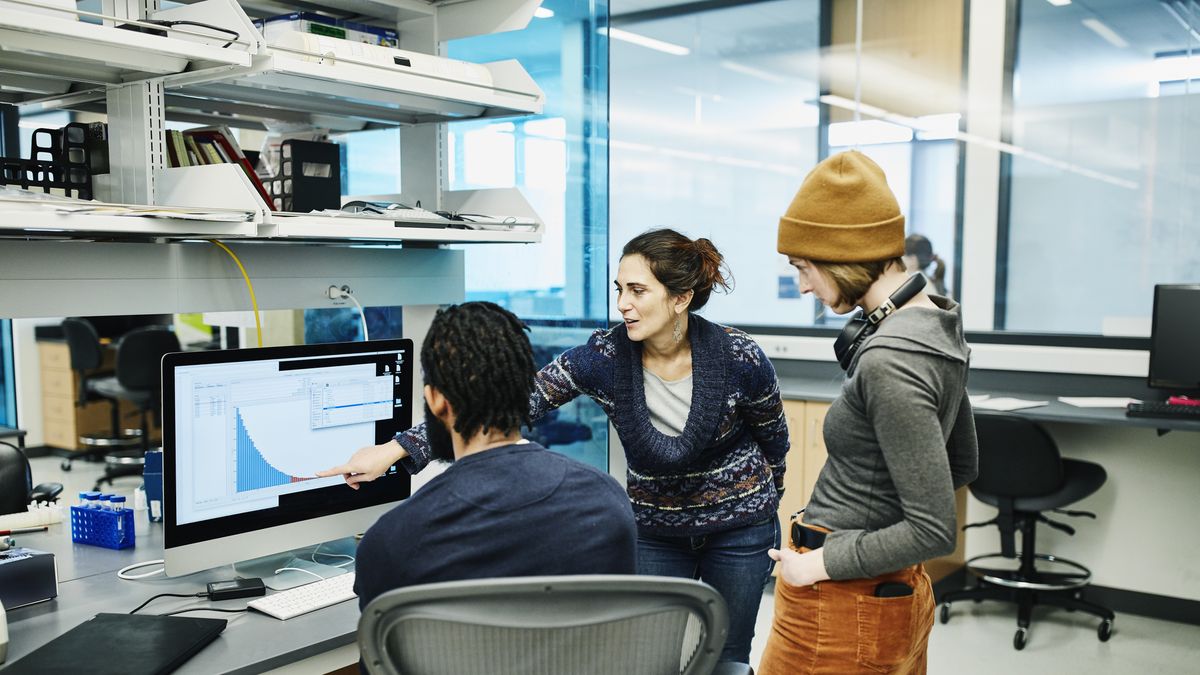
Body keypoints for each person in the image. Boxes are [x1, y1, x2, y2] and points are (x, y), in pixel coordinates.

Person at [321, 229, 790, 665]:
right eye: (619, 289)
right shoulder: (603, 358)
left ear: (681, 298)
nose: (623, 304)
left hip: (740, 531)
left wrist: (765, 508)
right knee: (653, 657)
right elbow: (507, 399)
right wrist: (397, 449)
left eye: (638, 291)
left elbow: (774, 441)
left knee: (727, 654)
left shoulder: (739, 356)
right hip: (655, 528)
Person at [760, 150, 979, 675]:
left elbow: (933, 530)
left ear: (841, 256)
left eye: (803, 267)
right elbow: (963, 464)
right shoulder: (937, 328)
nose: (803, 285)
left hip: (839, 603)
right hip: (886, 592)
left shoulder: (890, 358)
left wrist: (813, 565)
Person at [346, 301, 637, 611]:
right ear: (529, 390)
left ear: (435, 400)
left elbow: (383, 653)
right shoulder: (606, 504)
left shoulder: (391, 541)